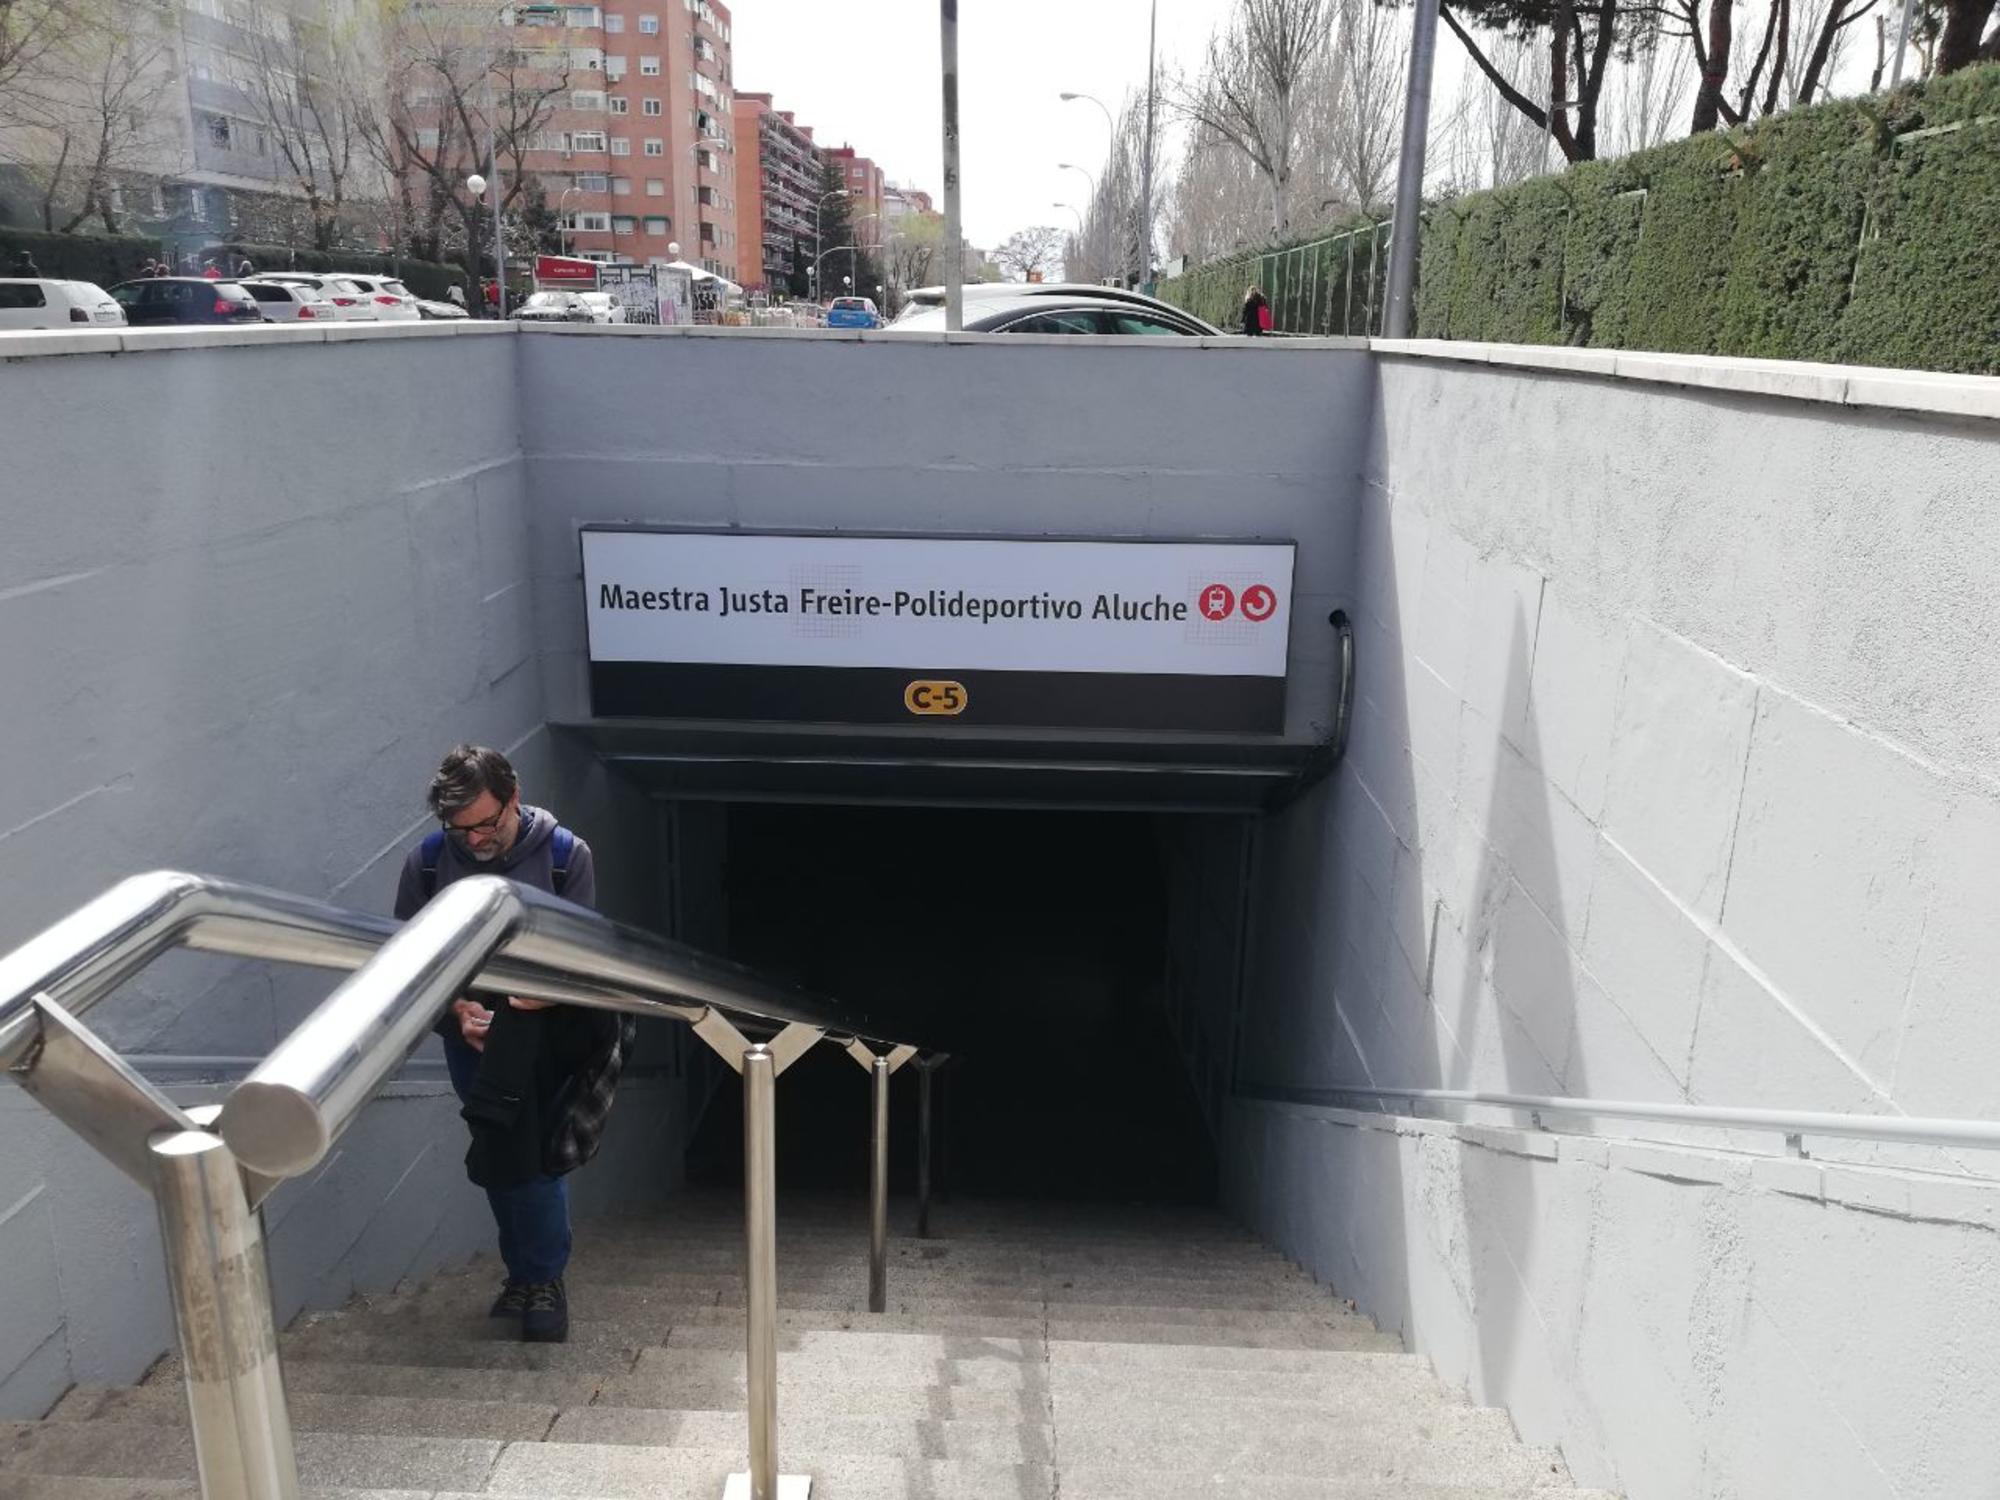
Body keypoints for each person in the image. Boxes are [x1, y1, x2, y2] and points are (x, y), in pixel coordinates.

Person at [392, 744, 631, 1343]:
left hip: (545, 1023)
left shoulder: (563, 856)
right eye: (459, 828)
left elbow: (582, 954)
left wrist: (545, 997)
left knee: (534, 1153)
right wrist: (456, 1012)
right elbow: (405, 961)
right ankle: (523, 1275)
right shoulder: (424, 864)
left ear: (514, 799)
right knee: (499, 1151)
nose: (473, 839)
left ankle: (544, 1278)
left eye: (486, 823)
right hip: (471, 1028)